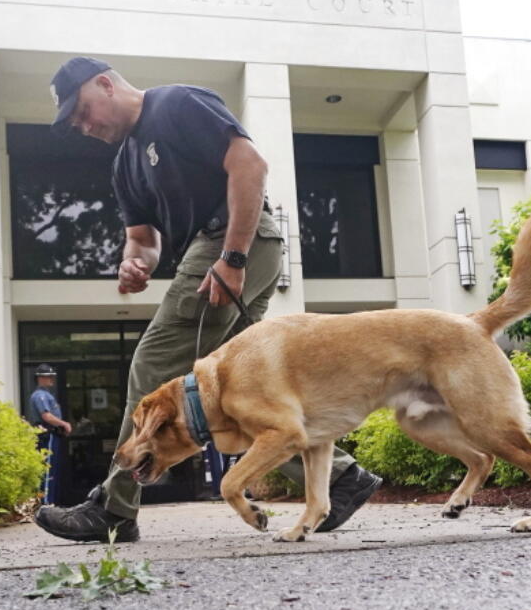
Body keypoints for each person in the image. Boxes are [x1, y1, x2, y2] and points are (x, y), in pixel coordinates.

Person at [34, 56, 381, 543]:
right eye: (74, 122)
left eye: (83, 110)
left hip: (233, 238)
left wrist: (233, 257)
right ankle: (343, 479)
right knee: (244, 390)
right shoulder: (124, 165)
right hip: (219, 250)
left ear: (105, 85)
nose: (84, 126)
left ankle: (113, 508)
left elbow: (249, 165)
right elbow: (142, 237)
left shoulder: (175, 103)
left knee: (152, 365)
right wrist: (135, 262)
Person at [26, 363, 70, 505]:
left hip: (53, 434)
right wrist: (64, 424)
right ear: (40, 378)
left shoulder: (47, 395)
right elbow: (46, 416)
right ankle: (45, 503)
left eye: (51, 376)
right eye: (48, 376)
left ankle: (49, 501)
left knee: (52, 469)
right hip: (47, 434)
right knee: (47, 469)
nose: (51, 379)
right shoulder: (40, 396)